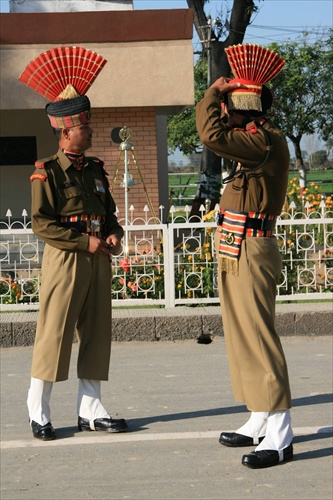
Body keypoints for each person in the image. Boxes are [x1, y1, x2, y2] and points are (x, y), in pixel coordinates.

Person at [20, 48, 127, 440]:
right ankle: (39, 411)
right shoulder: (46, 172)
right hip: (67, 259)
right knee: (55, 333)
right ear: (67, 131)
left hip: (98, 258)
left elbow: (110, 213)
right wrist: (86, 243)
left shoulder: (96, 170)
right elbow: (42, 224)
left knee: (97, 332)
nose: (92, 131)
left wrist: (113, 233)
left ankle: (91, 409)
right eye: (86, 127)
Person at [196, 44, 293, 469]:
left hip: (252, 248)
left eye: (231, 107)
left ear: (245, 107)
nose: (227, 115)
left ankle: (281, 433)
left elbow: (210, 135)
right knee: (240, 337)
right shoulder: (253, 144)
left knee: (258, 337)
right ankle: (258, 416)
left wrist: (210, 95)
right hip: (236, 247)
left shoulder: (264, 142)